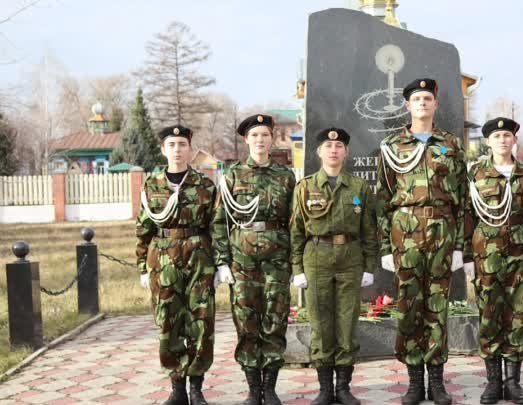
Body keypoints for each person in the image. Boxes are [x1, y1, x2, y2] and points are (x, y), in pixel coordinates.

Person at [376, 78, 467, 405]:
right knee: (410, 307)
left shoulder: (451, 145)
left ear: (435, 104)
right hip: (406, 236)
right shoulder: (391, 146)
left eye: (428, 98)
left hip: (442, 233)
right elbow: (382, 200)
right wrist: (386, 247)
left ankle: (438, 382)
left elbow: (463, 200)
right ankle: (415, 380)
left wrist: (460, 247)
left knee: (438, 308)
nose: (423, 104)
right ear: (408, 106)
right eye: (417, 99)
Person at [136, 125, 231, 405]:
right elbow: (144, 227)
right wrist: (143, 265)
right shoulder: (151, 185)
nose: (177, 149)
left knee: (201, 322)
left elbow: (217, 226)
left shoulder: (204, 185)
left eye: (182, 144)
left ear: (190, 149)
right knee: (168, 321)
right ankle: (177, 388)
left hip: (199, 258)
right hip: (162, 258)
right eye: (172, 144)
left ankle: (196, 389)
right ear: (163, 149)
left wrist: (221, 262)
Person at [290, 127, 378, 405]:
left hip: (350, 259)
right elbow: (296, 231)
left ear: (346, 152)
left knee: (347, 323)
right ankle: (325, 388)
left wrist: (369, 266)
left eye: (339, 146)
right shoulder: (305, 187)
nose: (334, 150)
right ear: (318, 152)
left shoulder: (358, 188)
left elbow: (370, 231)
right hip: (317, 258)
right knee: (320, 323)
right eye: (328, 147)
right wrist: (296, 269)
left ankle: (343, 387)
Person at [212, 114, 296, 405]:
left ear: (272, 140)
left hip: (277, 258)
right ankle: (252, 389)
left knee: (275, 320)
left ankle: (270, 387)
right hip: (242, 260)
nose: (260, 140)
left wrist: (295, 264)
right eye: (255, 136)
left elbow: (294, 222)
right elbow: (220, 222)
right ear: (246, 140)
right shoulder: (232, 176)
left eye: (265, 135)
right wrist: (222, 262)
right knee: (246, 322)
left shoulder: (286, 176)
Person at [464, 117, 523, 404]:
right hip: (486, 254)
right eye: (497, 136)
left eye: (507, 135)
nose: (503, 140)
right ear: (488, 141)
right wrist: (467, 256)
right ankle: (493, 381)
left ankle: (513, 382)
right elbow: (466, 215)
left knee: (519, 314)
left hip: (521, 253)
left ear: (514, 140)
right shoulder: (476, 173)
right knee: (490, 314)